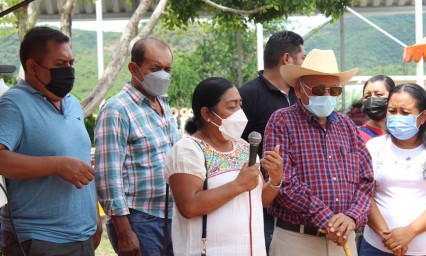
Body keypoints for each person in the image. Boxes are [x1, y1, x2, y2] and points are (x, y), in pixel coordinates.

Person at [0, 26, 101, 256]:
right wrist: (56, 165)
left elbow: (81, 161)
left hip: (82, 235)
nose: (68, 70)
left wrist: (94, 214)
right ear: (33, 67)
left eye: (70, 63)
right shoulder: (13, 104)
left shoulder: (73, 103)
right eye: (59, 65)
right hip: (39, 239)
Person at [263, 49, 375, 256]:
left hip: (344, 237)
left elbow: (366, 179)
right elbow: (283, 182)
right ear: (298, 89)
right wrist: (327, 219)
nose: (326, 95)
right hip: (297, 241)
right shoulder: (281, 121)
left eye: (334, 91)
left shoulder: (347, 125)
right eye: (319, 89)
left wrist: (352, 217)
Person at [164, 77, 283, 255]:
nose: (239, 112)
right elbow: (189, 206)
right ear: (207, 114)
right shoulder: (188, 150)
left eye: (240, 105)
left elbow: (257, 201)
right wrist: (237, 185)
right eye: (231, 106)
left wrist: (275, 179)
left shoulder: (244, 147)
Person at [94, 37, 180, 256]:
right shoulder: (117, 110)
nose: (163, 74)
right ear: (134, 68)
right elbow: (107, 176)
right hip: (140, 219)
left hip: (172, 216)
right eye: (155, 68)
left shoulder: (162, 103)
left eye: (167, 68)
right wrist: (124, 232)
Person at [239, 30, 305, 253]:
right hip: (263, 205)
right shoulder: (247, 95)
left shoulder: (301, 95)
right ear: (288, 59)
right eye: (302, 58)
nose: (303, 65)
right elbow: (234, 147)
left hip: (299, 205)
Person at [359, 83, 426, 256]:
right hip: (376, 246)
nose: (397, 117)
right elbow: (364, 194)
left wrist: (410, 231)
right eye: (392, 111)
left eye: (405, 113)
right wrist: (387, 236)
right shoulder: (374, 147)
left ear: (423, 117)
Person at [359, 75, 395, 142]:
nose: (372, 99)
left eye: (378, 94)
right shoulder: (358, 136)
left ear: (392, 96)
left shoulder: (402, 131)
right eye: (367, 96)